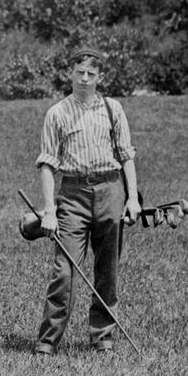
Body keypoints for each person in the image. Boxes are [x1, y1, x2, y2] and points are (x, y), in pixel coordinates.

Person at [32, 47, 141, 357]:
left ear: (99, 78)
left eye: (90, 74)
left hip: (110, 190)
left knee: (107, 269)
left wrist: (132, 198)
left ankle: (103, 336)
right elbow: (47, 165)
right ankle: (48, 340)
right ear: (71, 74)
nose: (84, 78)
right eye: (79, 72)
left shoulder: (113, 109)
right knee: (63, 271)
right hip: (73, 195)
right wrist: (50, 210)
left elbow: (126, 155)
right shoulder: (57, 113)